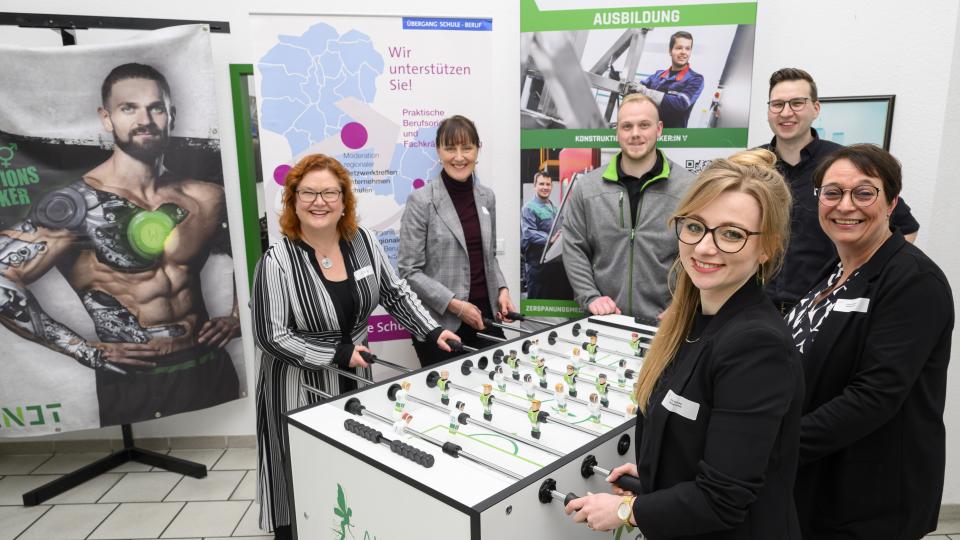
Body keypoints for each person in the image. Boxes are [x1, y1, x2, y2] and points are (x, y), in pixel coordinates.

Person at [565, 149, 803, 538]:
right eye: (695, 226)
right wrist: (658, 473)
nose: (705, 247)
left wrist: (629, 509)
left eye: (731, 234)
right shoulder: (692, 320)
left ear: (767, 248)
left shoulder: (756, 346)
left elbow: (722, 500)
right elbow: (704, 435)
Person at [0, 63, 240, 426]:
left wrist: (239, 315)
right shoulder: (74, 206)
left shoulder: (206, 197)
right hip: (134, 378)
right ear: (106, 118)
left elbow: (262, 248)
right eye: (129, 108)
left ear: (170, 115)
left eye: (155, 107)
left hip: (207, 365)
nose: (145, 119)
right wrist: (79, 348)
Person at [250, 154, 459, 540]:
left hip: (354, 377)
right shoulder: (276, 262)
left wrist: (431, 331)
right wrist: (334, 354)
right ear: (293, 201)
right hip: (297, 387)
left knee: (351, 463)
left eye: (329, 192)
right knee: (301, 474)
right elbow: (270, 336)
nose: (319, 201)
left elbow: (395, 294)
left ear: (344, 201)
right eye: (308, 192)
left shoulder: (363, 241)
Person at [785, 144, 953, 539]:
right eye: (832, 193)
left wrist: (775, 446)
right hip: (821, 477)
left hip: (870, 494)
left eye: (864, 192)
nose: (846, 206)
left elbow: (874, 395)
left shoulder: (912, 281)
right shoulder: (838, 269)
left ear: (892, 202)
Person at [760, 68, 919, 313]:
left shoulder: (842, 164)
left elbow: (906, 227)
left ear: (816, 108)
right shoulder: (752, 165)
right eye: (777, 104)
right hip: (758, 308)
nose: (786, 112)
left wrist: (864, 283)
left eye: (797, 103)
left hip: (821, 308)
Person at [563, 93, 696, 321]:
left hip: (667, 324)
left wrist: (682, 304)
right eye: (627, 126)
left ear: (659, 129)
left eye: (644, 125)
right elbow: (574, 248)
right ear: (617, 132)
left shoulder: (689, 188)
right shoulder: (588, 188)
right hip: (605, 321)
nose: (635, 134)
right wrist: (591, 297)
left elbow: (699, 252)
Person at [398, 115, 516, 366]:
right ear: (439, 151)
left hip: (485, 316)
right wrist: (457, 306)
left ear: (477, 149)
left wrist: (502, 289)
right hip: (441, 323)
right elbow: (409, 271)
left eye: (467, 148)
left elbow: (489, 255)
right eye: (450, 148)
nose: (459, 157)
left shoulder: (487, 197)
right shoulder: (422, 201)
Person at [634, 31, 705, 128]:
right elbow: (637, 89)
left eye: (687, 49)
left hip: (672, 138)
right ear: (670, 51)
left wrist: (646, 92)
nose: (684, 52)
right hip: (650, 133)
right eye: (679, 48)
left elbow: (681, 103)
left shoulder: (695, 79)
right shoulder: (658, 75)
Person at [520, 170, 571, 299]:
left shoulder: (553, 208)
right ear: (535, 185)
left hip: (553, 263)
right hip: (537, 265)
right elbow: (528, 233)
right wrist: (550, 239)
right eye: (541, 184)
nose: (545, 187)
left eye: (548, 184)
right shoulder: (529, 208)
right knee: (538, 300)